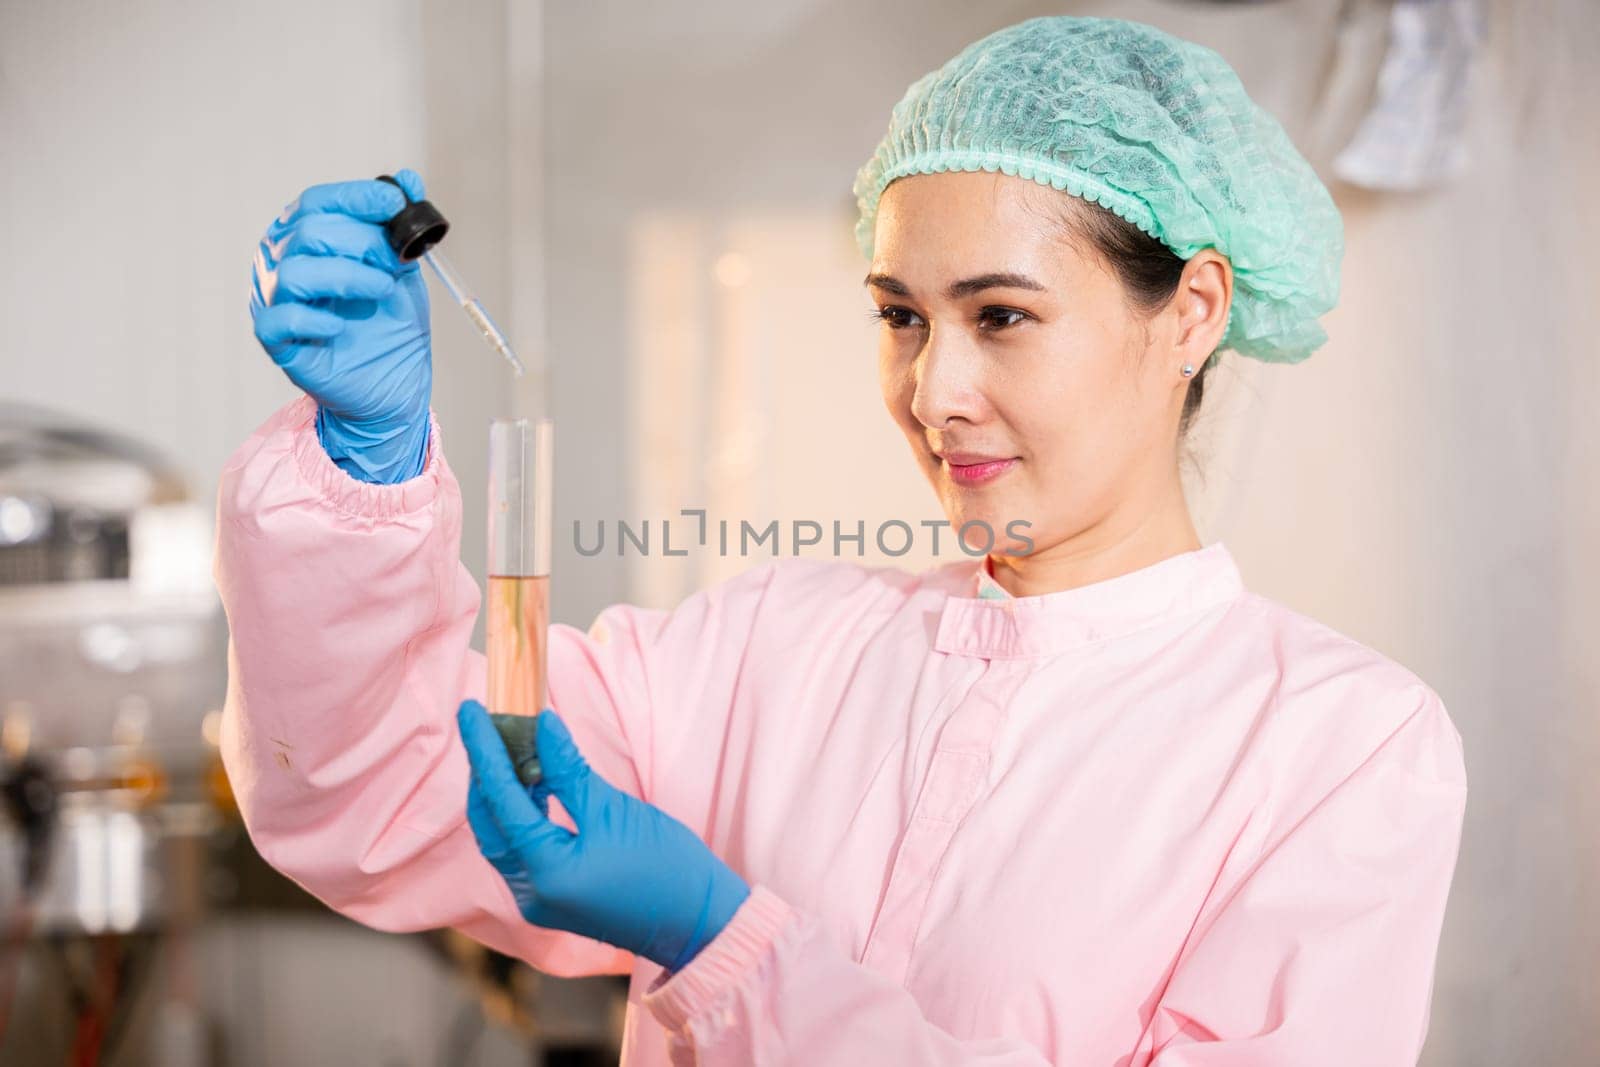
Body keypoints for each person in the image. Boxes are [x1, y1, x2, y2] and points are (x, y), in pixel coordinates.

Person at [220, 15, 1467, 1066]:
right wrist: (360, 474)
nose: (934, 389)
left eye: (1001, 315)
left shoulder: (1339, 750)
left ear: (1190, 311)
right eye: (901, 316)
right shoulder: (770, 645)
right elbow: (384, 790)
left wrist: (728, 947)